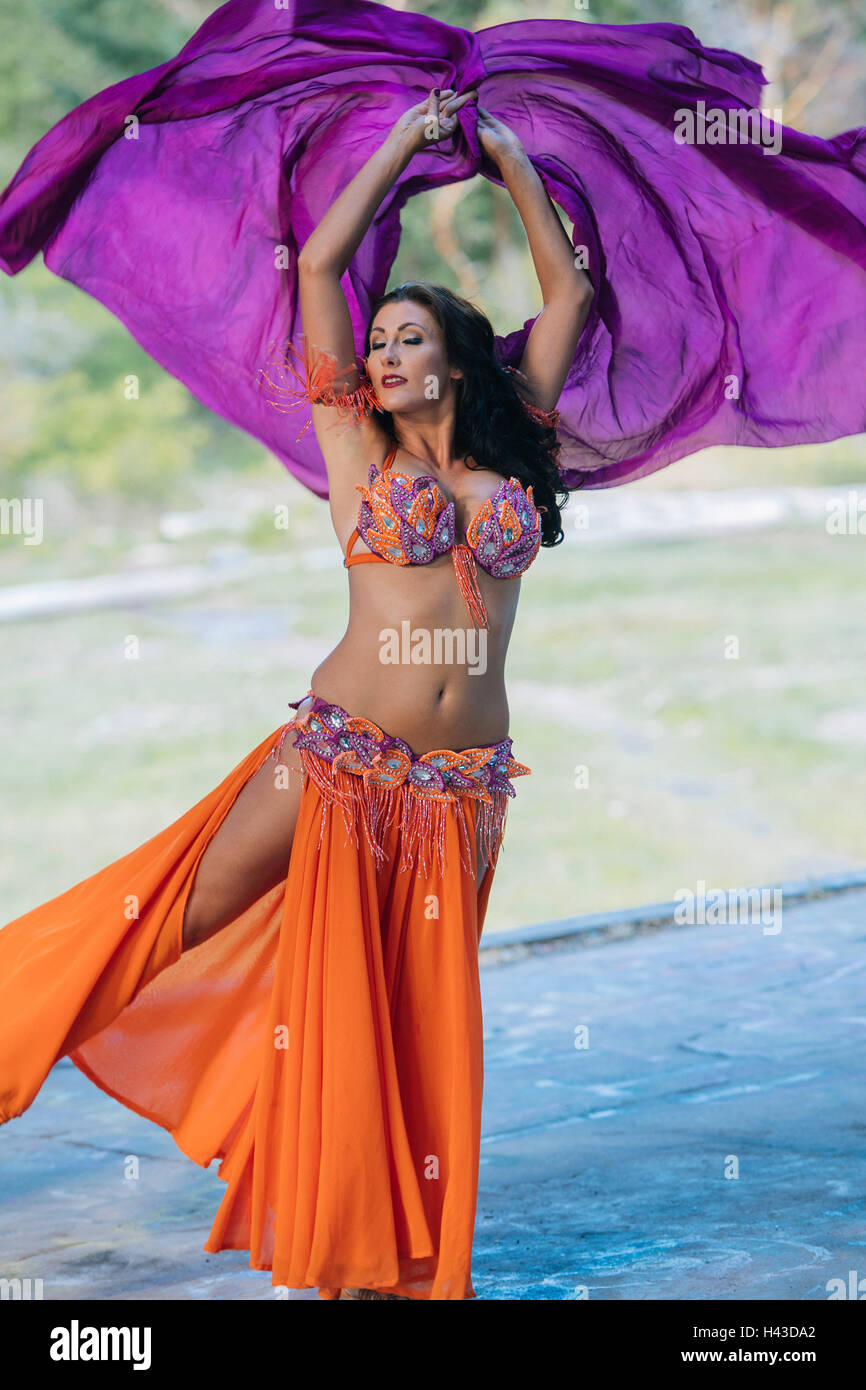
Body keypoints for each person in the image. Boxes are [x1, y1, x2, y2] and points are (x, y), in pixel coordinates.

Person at [0, 87, 592, 1301]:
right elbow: (321, 259)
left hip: (461, 789)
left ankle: (375, 1251)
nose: (379, 354)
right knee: (173, 908)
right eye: (373, 343)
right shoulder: (353, 448)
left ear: (456, 357)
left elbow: (570, 292)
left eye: (405, 337)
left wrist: (510, 158)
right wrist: (397, 147)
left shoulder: (514, 437)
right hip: (339, 754)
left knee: (405, 1015)